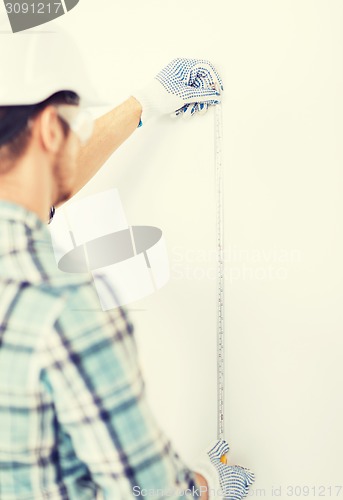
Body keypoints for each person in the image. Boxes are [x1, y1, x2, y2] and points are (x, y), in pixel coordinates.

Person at [0, 26, 255, 499]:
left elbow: (38, 185)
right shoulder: (62, 309)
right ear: (52, 130)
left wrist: (148, 101)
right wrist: (212, 485)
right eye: (76, 128)